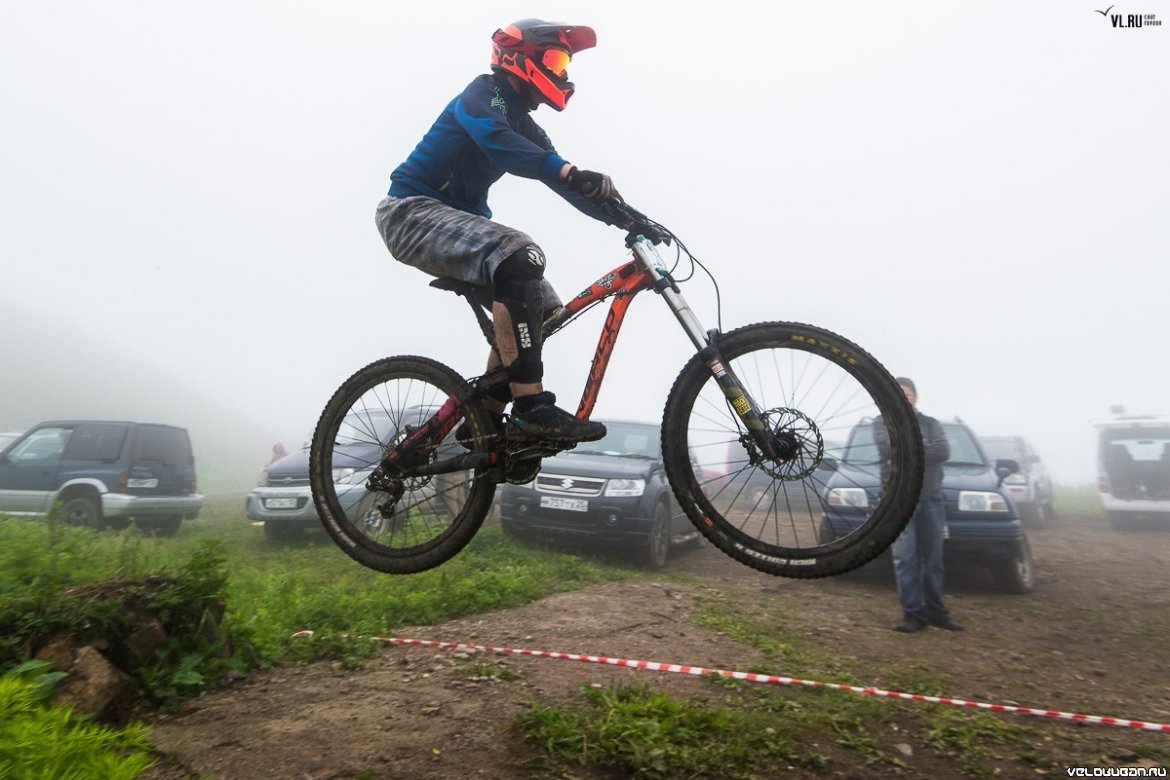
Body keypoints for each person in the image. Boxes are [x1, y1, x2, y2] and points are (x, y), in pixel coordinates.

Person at [375, 18, 631, 450]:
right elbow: (498, 141)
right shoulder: (483, 94)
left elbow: (558, 175)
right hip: (410, 212)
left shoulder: (525, 123)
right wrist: (569, 171)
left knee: (544, 308)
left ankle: (486, 426)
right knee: (519, 253)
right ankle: (531, 408)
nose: (561, 71)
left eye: (563, 62)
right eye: (555, 58)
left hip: (449, 222)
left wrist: (625, 217)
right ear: (521, 56)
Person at [876, 377, 962, 633]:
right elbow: (889, 448)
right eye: (899, 392)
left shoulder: (931, 423)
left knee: (934, 559)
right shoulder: (882, 423)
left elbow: (943, 452)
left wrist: (909, 446)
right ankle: (913, 614)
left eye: (909, 392)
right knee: (905, 558)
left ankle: (936, 612)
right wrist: (924, 447)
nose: (905, 396)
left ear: (916, 396)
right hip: (899, 503)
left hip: (931, 500)